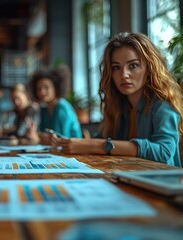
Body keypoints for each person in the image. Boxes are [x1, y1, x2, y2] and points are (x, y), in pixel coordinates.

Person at [52, 32, 183, 167]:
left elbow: (164, 152)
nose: (124, 75)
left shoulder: (162, 106)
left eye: (133, 65)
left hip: (161, 183)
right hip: (127, 177)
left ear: (149, 68)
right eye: (116, 67)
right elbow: (100, 140)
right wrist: (70, 142)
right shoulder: (119, 105)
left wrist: (101, 145)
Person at [29, 67, 83, 144]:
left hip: (73, 152)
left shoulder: (62, 108)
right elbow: (43, 135)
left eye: (46, 88)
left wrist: (37, 135)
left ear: (56, 88)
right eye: (39, 88)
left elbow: (60, 139)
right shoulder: (44, 109)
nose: (42, 92)